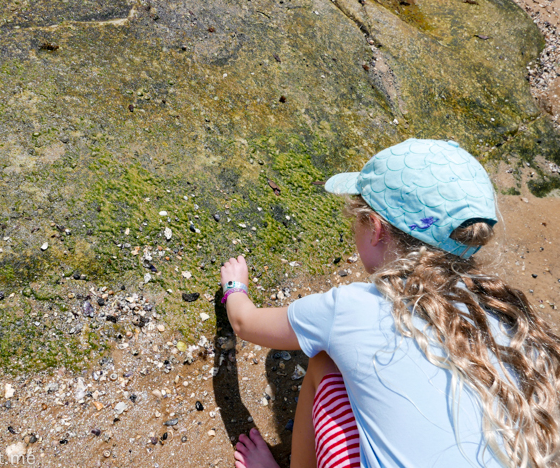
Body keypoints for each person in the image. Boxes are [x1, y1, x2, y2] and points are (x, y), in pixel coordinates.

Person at [220, 139, 560, 468]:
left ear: (375, 229)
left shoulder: (351, 308)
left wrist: (234, 288)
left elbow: (244, 323)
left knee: (324, 363)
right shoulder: (502, 314)